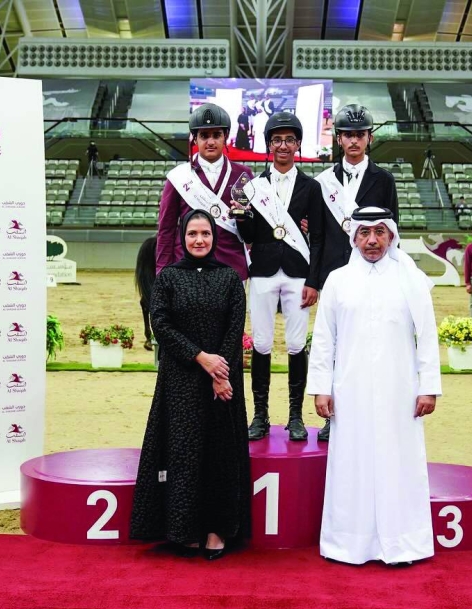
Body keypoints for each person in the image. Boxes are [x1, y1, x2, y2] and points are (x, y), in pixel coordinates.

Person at [307, 206, 441, 566]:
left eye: (380, 232)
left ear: (392, 236)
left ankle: (403, 545)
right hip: (350, 390)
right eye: (364, 233)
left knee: (399, 464)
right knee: (352, 464)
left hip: (401, 391)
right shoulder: (337, 280)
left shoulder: (410, 278)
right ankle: (347, 544)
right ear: (354, 238)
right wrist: (321, 387)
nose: (372, 240)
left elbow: (426, 337)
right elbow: (323, 340)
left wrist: (428, 386)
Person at [130, 209, 252, 561]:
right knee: (183, 454)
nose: (199, 240)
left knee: (219, 455)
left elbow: (234, 328)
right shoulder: (168, 277)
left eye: (206, 234)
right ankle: (183, 528)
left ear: (215, 238)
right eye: (193, 234)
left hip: (222, 383)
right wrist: (200, 357)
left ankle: (217, 531)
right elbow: (162, 325)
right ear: (182, 238)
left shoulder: (229, 278)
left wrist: (220, 375)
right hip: (181, 379)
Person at [311, 104, 400, 442]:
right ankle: (332, 417)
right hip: (335, 275)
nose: (353, 141)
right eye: (347, 134)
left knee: (369, 341)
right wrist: (314, 281)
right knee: (333, 347)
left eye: (359, 134)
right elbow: (317, 236)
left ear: (370, 138)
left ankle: (370, 412)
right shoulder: (323, 182)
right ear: (339, 139)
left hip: (373, 272)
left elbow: (392, 230)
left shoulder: (384, 179)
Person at [234, 111, 323, 442]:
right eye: (276, 140)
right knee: (261, 343)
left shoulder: (311, 187)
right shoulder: (254, 187)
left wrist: (314, 281)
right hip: (264, 272)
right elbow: (248, 235)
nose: (283, 145)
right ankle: (260, 415)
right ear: (268, 144)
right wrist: (241, 214)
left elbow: (319, 238)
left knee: (297, 344)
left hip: (299, 274)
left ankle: (296, 416)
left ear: (297, 144)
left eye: (289, 140)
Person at [156, 103, 252, 282]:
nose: (210, 142)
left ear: (226, 137)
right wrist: (162, 271)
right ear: (195, 139)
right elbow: (166, 230)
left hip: (231, 268)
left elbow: (251, 230)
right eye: (204, 136)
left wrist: (243, 218)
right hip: (186, 267)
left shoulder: (243, 175)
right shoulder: (178, 177)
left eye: (217, 135)